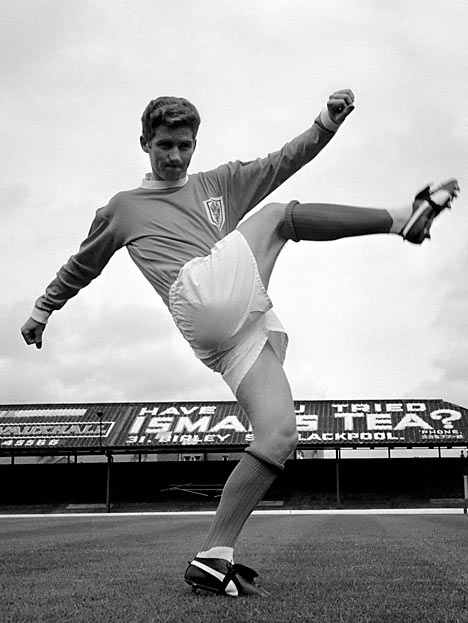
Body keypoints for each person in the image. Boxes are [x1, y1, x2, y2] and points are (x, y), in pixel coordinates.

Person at [21, 90, 459, 597]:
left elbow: (282, 161)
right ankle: (402, 218)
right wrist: (43, 308)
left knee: (279, 434)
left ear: (195, 143)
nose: (175, 156)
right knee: (277, 218)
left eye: (185, 145)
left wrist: (324, 123)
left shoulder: (220, 183)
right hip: (195, 294)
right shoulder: (124, 208)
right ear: (144, 143)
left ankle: (213, 557)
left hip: (232, 331)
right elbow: (83, 263)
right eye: (164, 145)